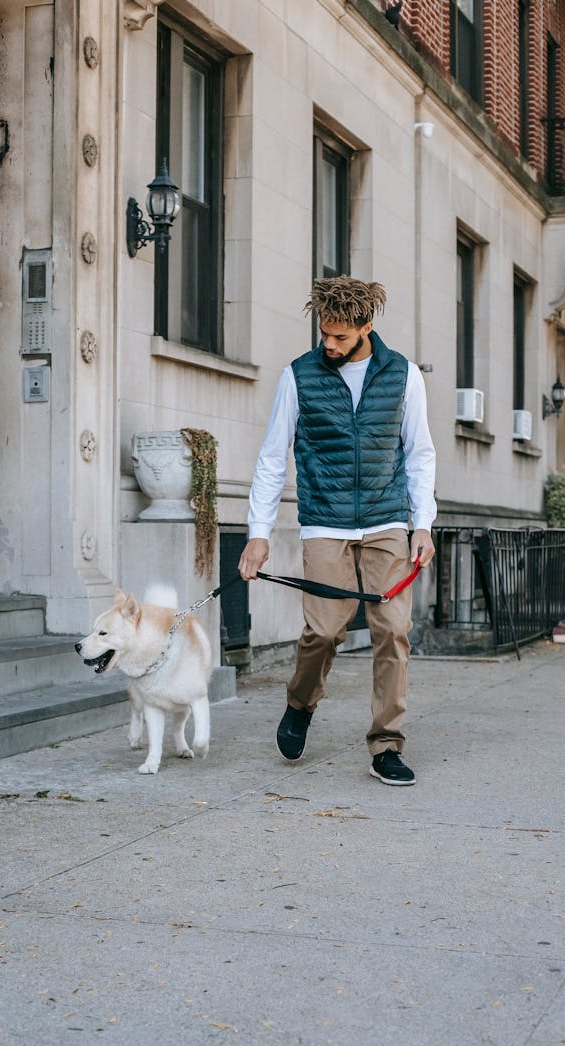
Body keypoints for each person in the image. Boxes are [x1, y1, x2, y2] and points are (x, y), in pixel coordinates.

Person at [238, 276, 436, 786]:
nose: (329, 344)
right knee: (324, 631)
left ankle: (387, 744)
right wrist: (258, 532)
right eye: (324, 333)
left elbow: (419, 453)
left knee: (392, 631)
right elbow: (270, 457)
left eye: (341, 337)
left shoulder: (403, 375)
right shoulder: (299, 376)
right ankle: (301, 703)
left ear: (367, 327)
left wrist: (423, 524)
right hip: (324, 522)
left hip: (387, 521)